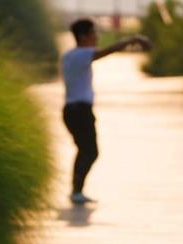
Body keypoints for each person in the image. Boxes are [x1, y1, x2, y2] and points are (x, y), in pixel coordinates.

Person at [62, 18, 150, 204]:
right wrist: (132, 39)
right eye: (94, 32)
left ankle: (76, 190)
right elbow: (107, 51)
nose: (97, 36)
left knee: (85, 150)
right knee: (90, 151)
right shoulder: (82, 54)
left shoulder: (68, 55)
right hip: (80, 110)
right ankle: (76, 191)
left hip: (70, 110)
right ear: (84, 36)